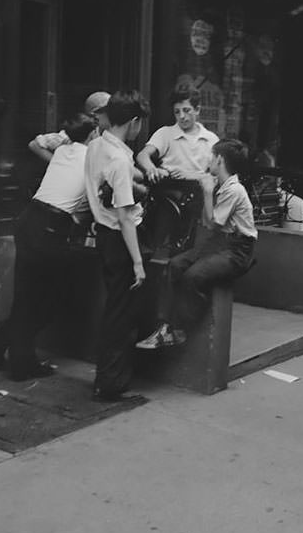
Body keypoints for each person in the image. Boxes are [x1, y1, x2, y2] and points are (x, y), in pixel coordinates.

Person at [0, 113, 97, 381]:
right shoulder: (92, 157)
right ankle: (20, 361)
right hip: (51, 227)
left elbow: (35, 143)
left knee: (28, 294)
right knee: (50, 298)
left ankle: (5, 337)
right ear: (92, 134)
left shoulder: (63, 148)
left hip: (30, 221)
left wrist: (55, 163)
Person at [137, 139, 257, 349]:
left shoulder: (234, 190)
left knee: (193, 277)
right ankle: (164, 327)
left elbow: (213, 223)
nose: (208, 160)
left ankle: (182, 328)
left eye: (211, 156)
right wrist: (206, 190)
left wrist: (208, 191)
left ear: (219, 159)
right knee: (174, 265)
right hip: (219, 243)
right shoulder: (220, 185)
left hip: (238, 251)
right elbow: (208, 222)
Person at [84, 89, 152, 401]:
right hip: (120, 238)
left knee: (113, 308)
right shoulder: (120, 159)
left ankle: (105, 378)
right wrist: (138, 262)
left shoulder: (97, 145)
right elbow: (125, 216)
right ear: (134, 122)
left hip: (103, 233)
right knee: (120, 315)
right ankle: (112, 381)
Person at [135, 84, 218, 183]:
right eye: (177, 112)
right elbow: (142, 155)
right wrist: (152, 169)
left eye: (186, 110)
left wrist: (195, 176)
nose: (182, 116)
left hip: (199, 190)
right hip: (170, 188)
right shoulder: (165, 133)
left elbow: (219, 176)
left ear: (197, 110)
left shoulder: (211, 139)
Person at [28, 91, 111, 166]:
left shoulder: (115, 133)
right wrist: (59, 163)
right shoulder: (82, 132)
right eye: (106, 111)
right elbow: (35, 145)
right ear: (94, 115)